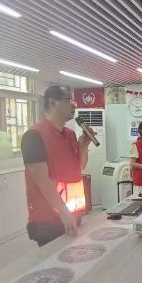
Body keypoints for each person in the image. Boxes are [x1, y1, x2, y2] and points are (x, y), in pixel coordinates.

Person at [21, 86, 92, 246]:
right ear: (53, 102)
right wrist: (63, 212)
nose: (74, 106)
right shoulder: (34, 137)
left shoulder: (70, 134)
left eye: (74, 102)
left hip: (73, 212)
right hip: (49, 218)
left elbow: (79, 168)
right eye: (69, 101)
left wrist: (84, 146)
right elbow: (43, 181)